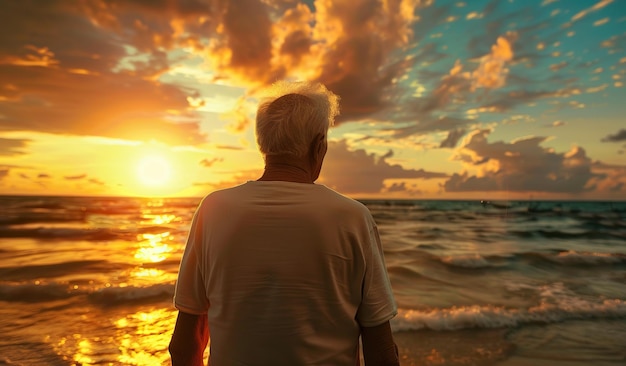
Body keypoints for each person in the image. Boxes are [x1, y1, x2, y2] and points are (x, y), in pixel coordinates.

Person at [169, 81, 399, 365]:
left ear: (263, 145)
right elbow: (381, 350)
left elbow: (185, 345)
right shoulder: (352, 217)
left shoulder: (213, 210)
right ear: (319, 146)